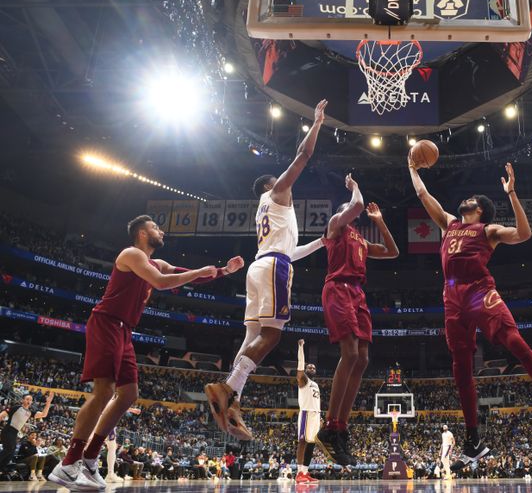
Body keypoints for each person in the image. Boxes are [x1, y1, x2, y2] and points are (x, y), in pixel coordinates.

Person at [48, 215, 243, 489]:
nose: (160, 231)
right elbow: (162, 282)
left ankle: (91, 459)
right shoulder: (131, 254)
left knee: (129, 395)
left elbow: (179, 274)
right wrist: (200, 272)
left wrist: (222, 271)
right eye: (155, 227)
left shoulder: (156, 262)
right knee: (103, 392)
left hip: (124, 330)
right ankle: (68, 463)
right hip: (106, 323)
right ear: (141, 232)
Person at [408, 160, 532, 469]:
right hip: (452, 296)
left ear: (479, 208)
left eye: (471, 198)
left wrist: (511, 193)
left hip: (479, 291)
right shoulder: (449, 223)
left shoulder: (488, 230)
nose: (465, 199)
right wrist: (413, 168)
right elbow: (423, 195)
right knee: (460, 367)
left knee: (515, 342)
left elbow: (524, 233)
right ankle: (473, 441)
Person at [205, 99, 328, 441]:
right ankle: (228, 388)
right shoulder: (276, 194)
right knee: (272, 336)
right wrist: (316, 122)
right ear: (271, 184)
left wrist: (321, 243)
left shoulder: (269, 213)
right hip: (274, 267)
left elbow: (290, 251)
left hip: (263, 264)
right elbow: (303, 156)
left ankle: (233, 401)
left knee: (252, 337)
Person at [316, 174, 399, 464]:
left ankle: (340, 428)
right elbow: (358, 203)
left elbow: (393, 251)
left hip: (357, 294)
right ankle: (330, 425)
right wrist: (354, 188)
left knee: (362, 359)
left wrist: (380, 221)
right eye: (351, 210)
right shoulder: (336, 227)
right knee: (349, 353)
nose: (356, 213)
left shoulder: (361, 239)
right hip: (337, 288)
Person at [0, 392, 52, 470]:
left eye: (30, 400)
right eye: (27, 399)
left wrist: (48, 403)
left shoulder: (30, 412)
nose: (29, 401)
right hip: (8, 430)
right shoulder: (16, 407)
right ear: (23, 400)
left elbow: (43, 414)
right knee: (9, 449)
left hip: (14, 433)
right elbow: (2, 414)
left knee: (11, 452)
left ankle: (1, 468)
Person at [295, 339, 320, 484]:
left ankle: (305, 472)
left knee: (311, 443)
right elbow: (299, 369)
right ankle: (299, 473)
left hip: (315, 415)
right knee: (303, 442)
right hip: (306, 413)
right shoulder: (303, 380)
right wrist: (301, 348)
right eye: (309, 367)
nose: (311, 368)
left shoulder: (315, 384)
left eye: (313, 368)